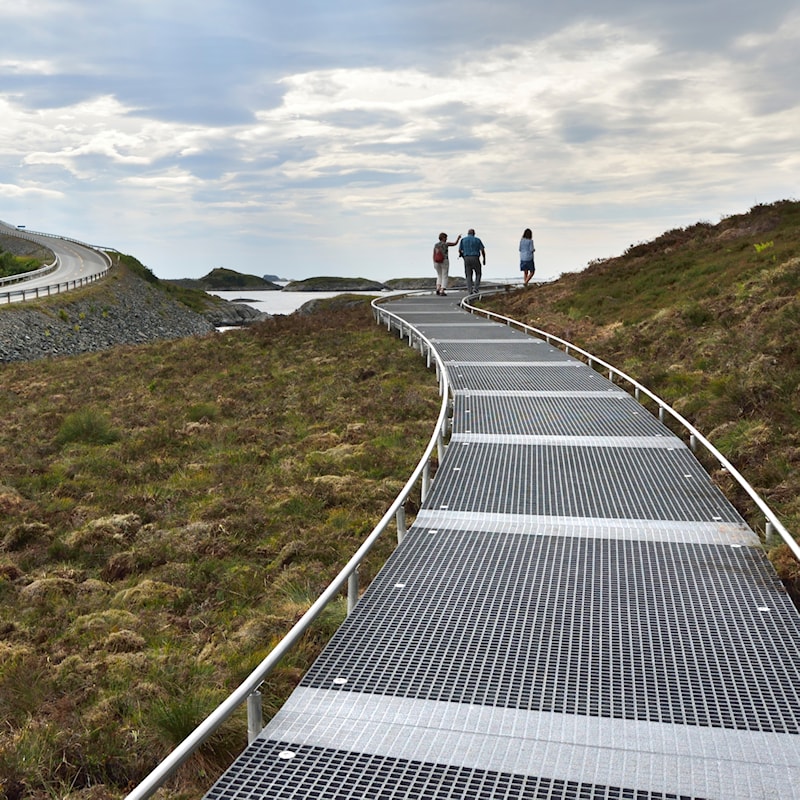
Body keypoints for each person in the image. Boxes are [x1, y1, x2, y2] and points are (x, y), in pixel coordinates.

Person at [458, 228, 486, 294]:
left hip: (466, 258)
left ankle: (470, 290)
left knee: (468, 275)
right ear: (474, 233)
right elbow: (482, 250)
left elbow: (459, 250)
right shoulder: (477, 240)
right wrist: (484, 259)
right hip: (475, 257)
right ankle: (476, 289)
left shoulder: (463, 240)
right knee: (478, 273)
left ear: (468, 233)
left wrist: (462, 256)